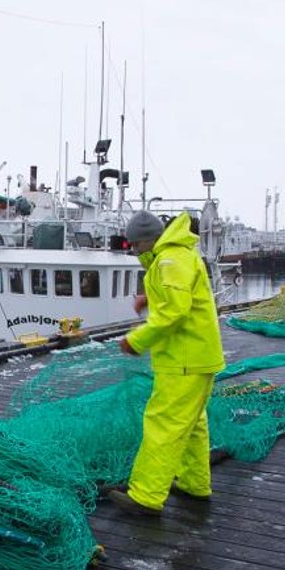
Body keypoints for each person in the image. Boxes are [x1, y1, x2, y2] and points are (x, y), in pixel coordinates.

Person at [110, 210, 225, 515]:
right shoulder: (178, 255)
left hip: (183, 360)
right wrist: (148, 298)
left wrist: (136, 340)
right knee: (193, 424)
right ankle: (194, 483)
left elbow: (174, 312)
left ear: (147, 241)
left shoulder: (169, 260)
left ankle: (146, 496)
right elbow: (182, 296)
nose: (134, 251)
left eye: (135, 246)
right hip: (197, 357)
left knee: (164, 424)